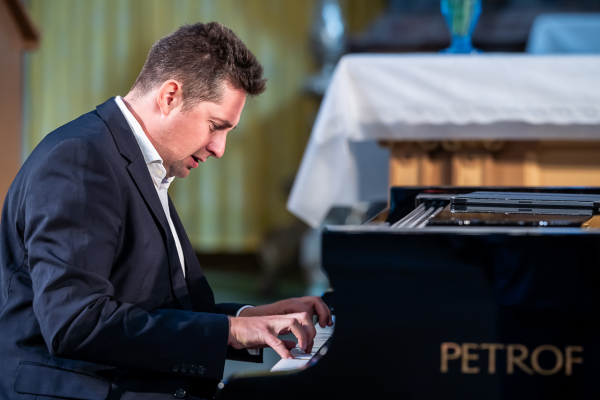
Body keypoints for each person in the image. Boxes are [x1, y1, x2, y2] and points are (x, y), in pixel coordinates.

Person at [0, 22, 331, 400]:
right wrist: (230, 331)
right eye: (215, 126)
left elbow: (152, 307)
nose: (219, 148)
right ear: (170, 96)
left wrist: (250, 319)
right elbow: (75, 323)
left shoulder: (131, 159)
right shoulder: (81, 160)